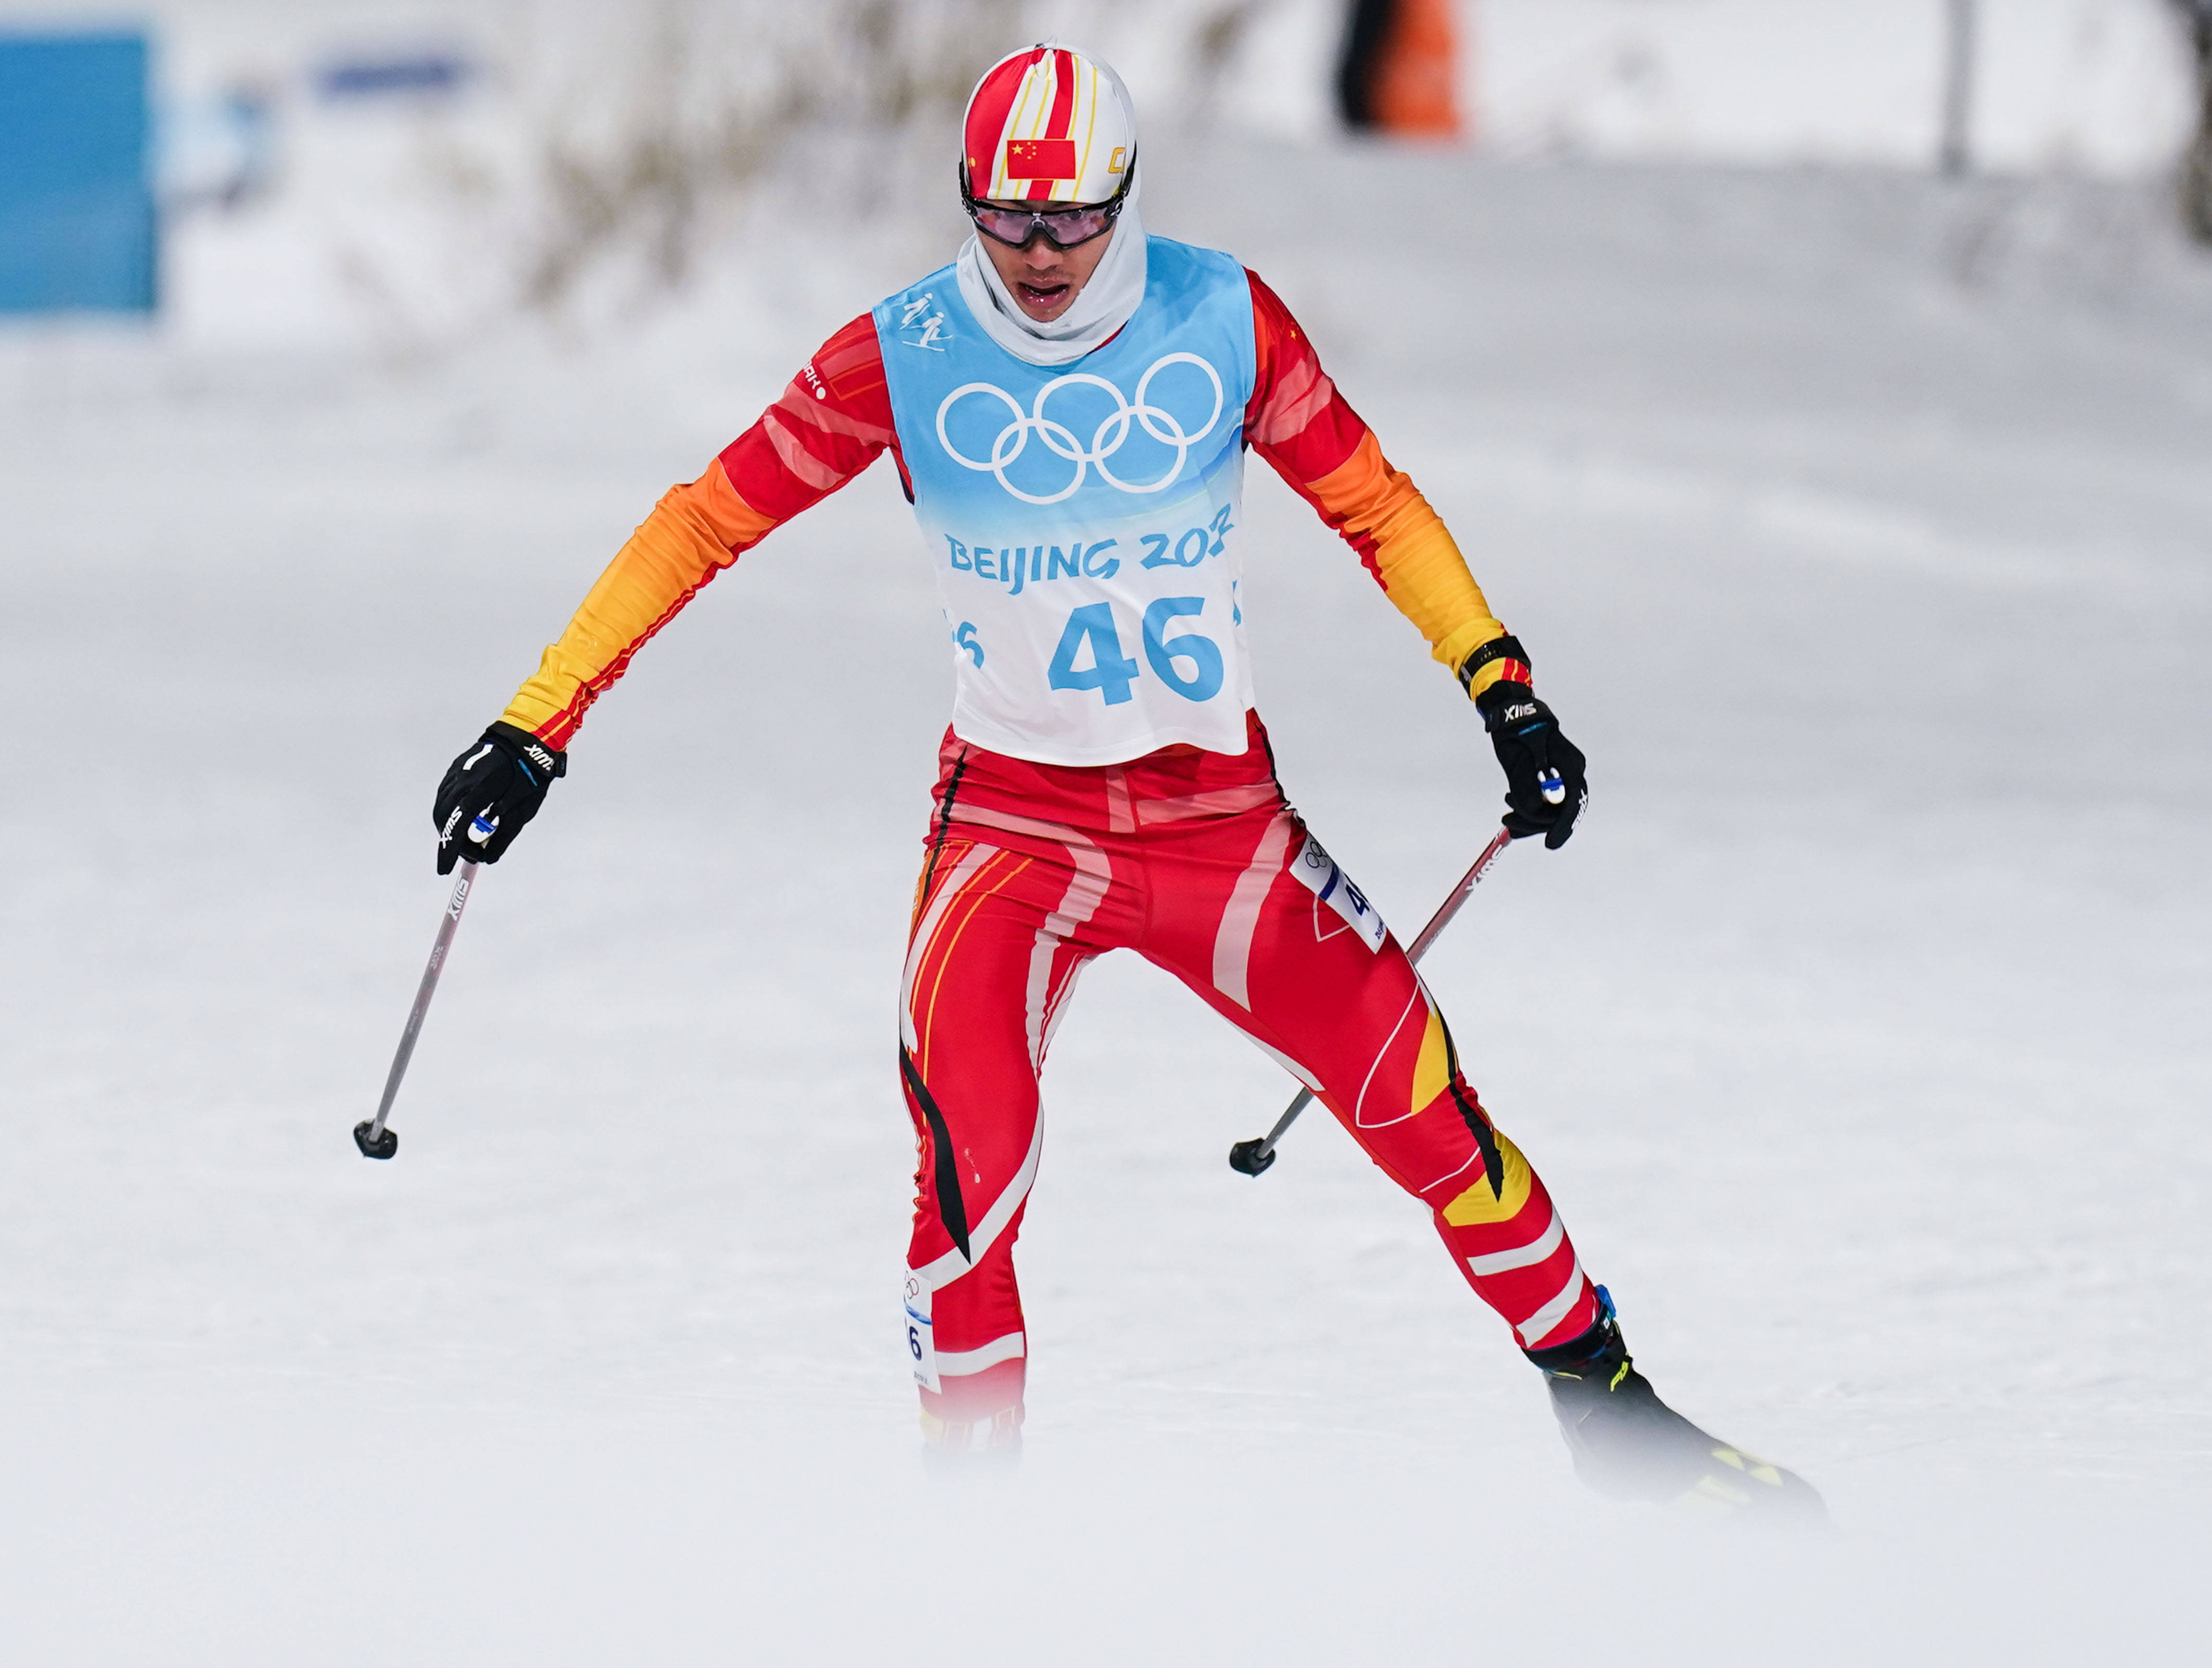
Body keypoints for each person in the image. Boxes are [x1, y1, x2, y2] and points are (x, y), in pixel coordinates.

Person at [433, 43, 1816, 1517]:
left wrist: (1502, 685)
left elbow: (1373, 502)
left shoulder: (1218, 318)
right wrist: (535, 724)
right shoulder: (901, 351)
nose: (1035, 256)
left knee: (1430, 1112)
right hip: (1013, 839)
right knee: (967, 1181)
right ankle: (975, 1544)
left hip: (1220, 828)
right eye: (1004, 220)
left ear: (1124, 196)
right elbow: (700, 522)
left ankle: (1614, 1413)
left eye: (1070, 220)